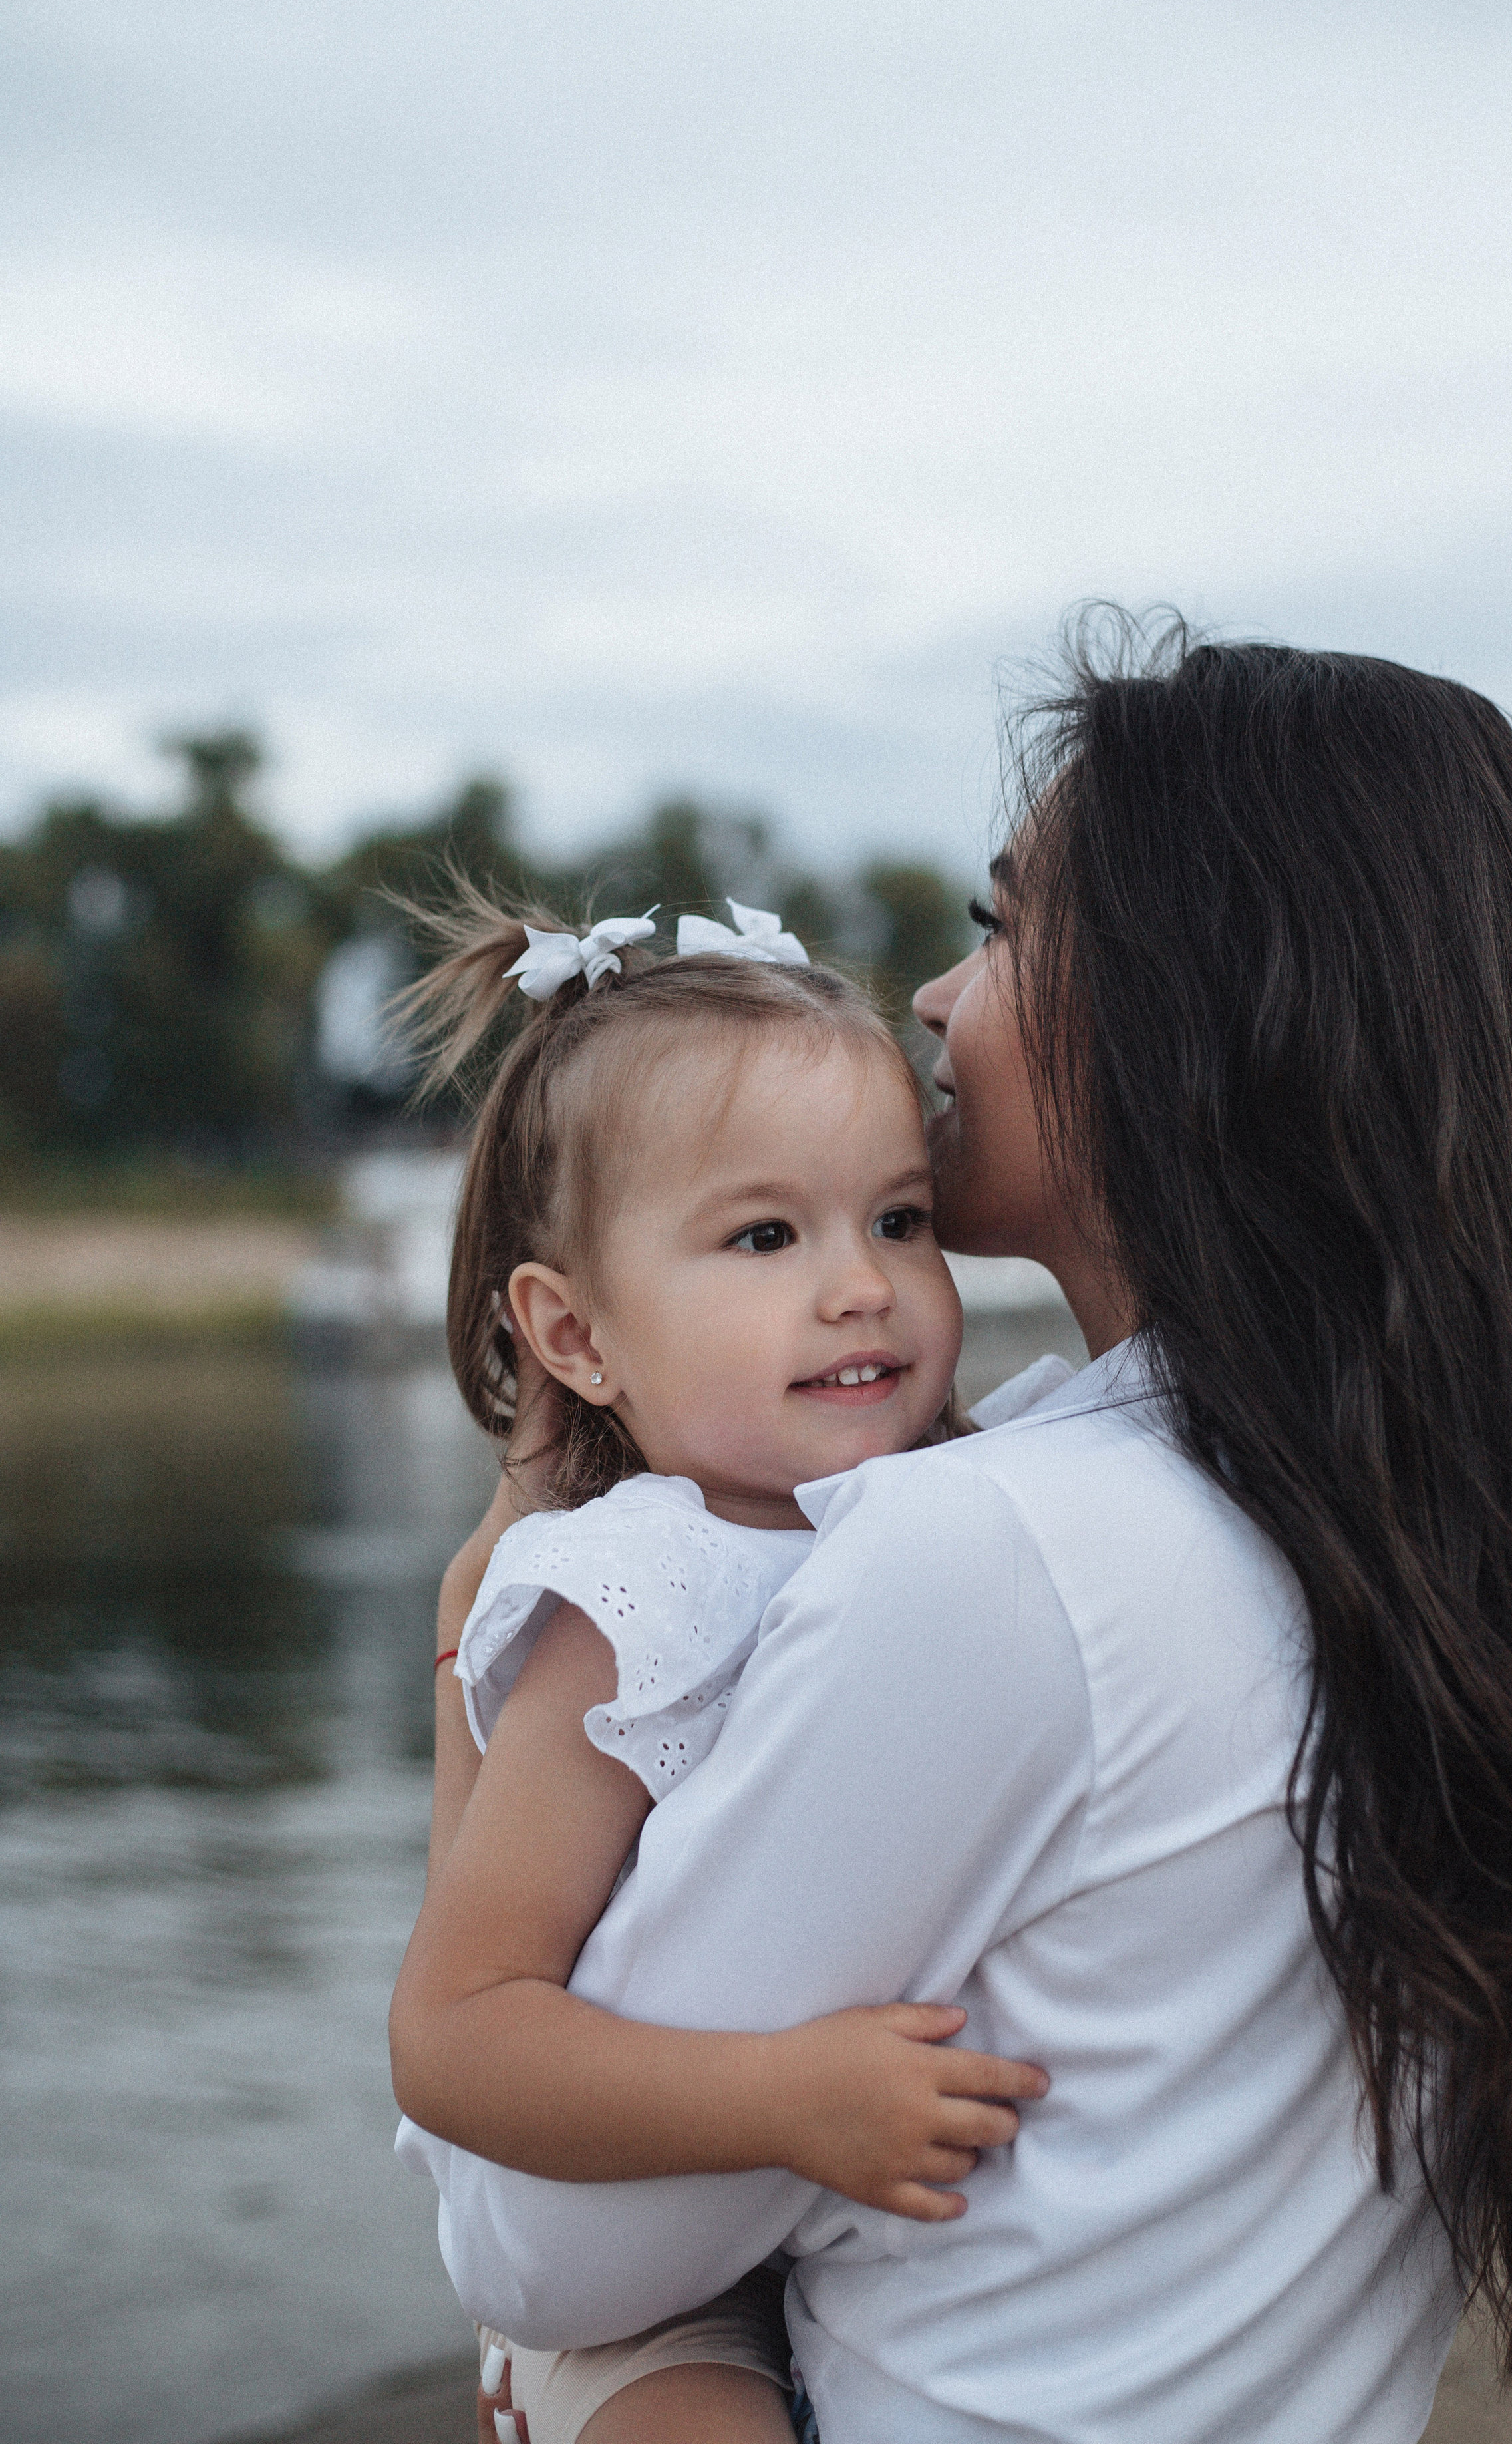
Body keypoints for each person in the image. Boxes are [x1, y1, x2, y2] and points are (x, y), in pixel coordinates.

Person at [410, 620, 1512, 2444]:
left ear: (1199, 1009)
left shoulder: (1000, 1556)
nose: (937, 999)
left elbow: (538, 2253)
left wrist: (470, 1652)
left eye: (1006, 929)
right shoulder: (1424, 1534)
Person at [388, 893, 1058, 2444]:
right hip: (638, 2269)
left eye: (897, 1220)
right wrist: (782, 2101)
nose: (859, 1284)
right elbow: (456, 2030)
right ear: (574, 1337)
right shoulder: (638, 1594)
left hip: (814, 2225)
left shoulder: (967, 1501)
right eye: (764, 1236)